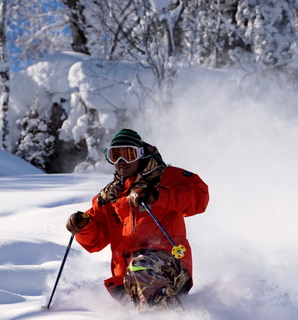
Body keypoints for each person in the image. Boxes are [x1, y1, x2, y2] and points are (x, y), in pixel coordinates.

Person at [66, 128, 209, 310]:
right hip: (127, 280)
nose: (121, 161)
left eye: (128, 154)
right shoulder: (109, 197)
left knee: (140, 267)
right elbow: (96, 241)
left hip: (170, 266)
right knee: (137, 271)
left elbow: (199, 197)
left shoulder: (166, 177)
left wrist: (157, 195)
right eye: (115, 155)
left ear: (140, 155)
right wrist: (82, 226)